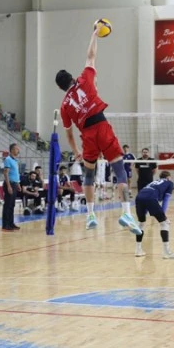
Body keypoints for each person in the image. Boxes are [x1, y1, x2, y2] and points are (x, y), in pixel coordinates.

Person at [55, 26, 140, 234]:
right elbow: (91, 56)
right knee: (120, 171)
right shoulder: (84, 79)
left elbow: (68, 134)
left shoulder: (64, 106)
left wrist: (76, 151)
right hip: (102, 127)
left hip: (87, 136)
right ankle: (126, 212)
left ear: (61, 88)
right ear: (72, 78)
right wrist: (94, 34)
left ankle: (90, 215)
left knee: (89, 175)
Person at [133, 171, 174, 259]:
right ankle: (166, 252)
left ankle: (138, 250)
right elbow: (166, 200)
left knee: (141, 223)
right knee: (164, 224)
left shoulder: (153, 182)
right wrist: (164, 217)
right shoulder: (169, 183)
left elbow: (146, 197)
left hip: (139, 197)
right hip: (150, 198)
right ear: (168, 177)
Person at [2, 144, 21, 231]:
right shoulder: (8, 159)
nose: (18, 150)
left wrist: (18, 184)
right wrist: (9, 186)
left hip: (14, 184)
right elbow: (6, 173)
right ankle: (5, 225)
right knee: (7, 205)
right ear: (12, 150)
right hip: (9, 184)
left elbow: (16, 174)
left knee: (12, 205)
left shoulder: (15, 160)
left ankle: (11, 223)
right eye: (17, 149)